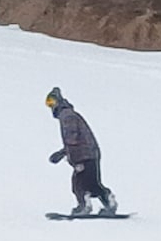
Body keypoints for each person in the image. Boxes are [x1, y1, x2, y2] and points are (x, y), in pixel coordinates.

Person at [45, 87, 118, 216]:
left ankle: (84, 206)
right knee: (92, 183)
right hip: (91, 153)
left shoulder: (66, 116)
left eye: (51, 102)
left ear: (58, 102)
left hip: (82, 155)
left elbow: (72, 138)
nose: (50, 106)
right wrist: (64, 152)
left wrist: (68, 156)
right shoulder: (69, 114)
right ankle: (108, 201)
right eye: (48, 103)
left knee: (78, 183)